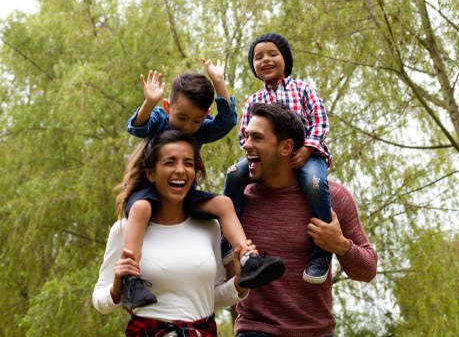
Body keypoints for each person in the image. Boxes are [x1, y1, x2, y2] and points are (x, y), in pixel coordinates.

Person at [122, 60, 284, 310]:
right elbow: (137, 128)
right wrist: (149, 102)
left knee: (224, 203)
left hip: (183, 193)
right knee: (141, 209)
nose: (187, 128)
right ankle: (131, 280)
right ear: (168, 107)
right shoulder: (160, 117)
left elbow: (227, 121)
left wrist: (219, 82)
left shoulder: (200, 130)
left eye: (196, 121)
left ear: (205, 116)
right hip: (147, 191)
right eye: (182, 118)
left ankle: (248, 258)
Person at [234, 102, 378, 337]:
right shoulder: (239, 201)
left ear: (286, 147)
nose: (246, 145)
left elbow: (368, 270)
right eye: (247, 136)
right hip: (256, 330)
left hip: (317, 332)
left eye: (257, 138)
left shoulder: (334, 198)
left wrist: (341, 245)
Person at [93, 129, 253, 336]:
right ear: (151, 173)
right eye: (170, 162)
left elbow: (211, 297)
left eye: (188, 163)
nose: (180, 170)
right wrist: (117, 286)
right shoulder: (125, 230)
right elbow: (100, 301)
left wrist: (240, 283)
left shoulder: (210, 227)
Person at [224, 33, 334, 284]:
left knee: (314, 184)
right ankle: (229, 238)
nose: (266, 60)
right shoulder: (254, 100)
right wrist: (255, 152)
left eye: (272, 54)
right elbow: (244, 137)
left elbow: (320, 123)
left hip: (307, 155)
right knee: (233, 174)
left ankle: (321, 251)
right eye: (258, 57)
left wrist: (306, 149)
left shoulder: (303, 90)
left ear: (286, 59)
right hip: (267, 158)